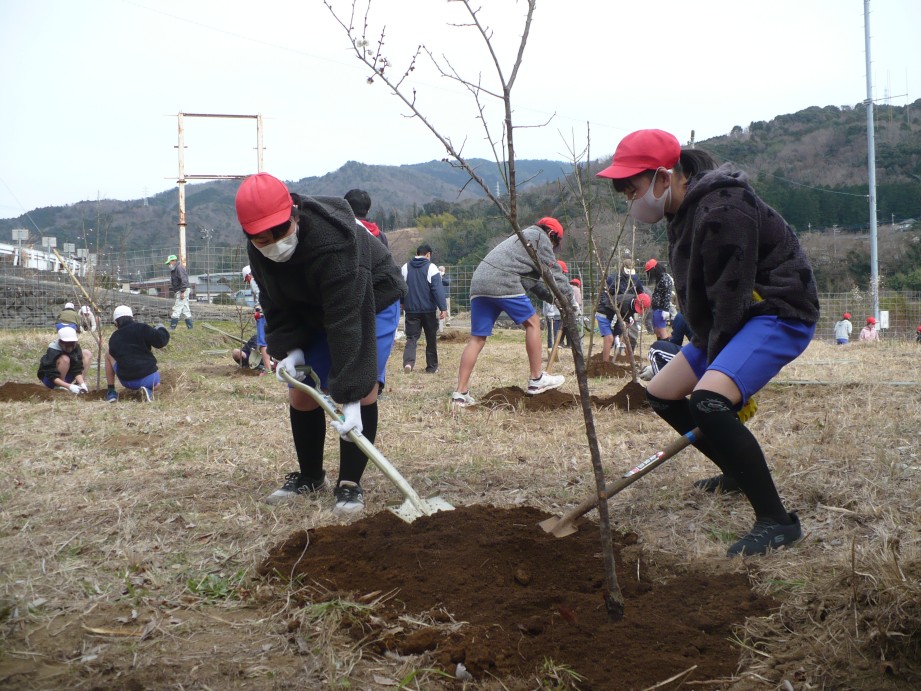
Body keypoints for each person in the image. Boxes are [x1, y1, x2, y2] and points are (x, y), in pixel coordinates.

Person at [597, 128, 820, 557]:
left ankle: (777, 521)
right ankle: (735, 472)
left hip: (775, 310)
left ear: (665, 177)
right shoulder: (684, 210)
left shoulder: (723, 209)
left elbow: (732, 294)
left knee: (708, 401)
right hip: (728, 319)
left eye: (633, 189)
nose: (631, 201)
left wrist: (724, 381)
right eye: (624, 194)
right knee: (661, 393)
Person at [235, 173, 406, 512]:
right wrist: (290, 350)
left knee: (363, 388)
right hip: (314, 308)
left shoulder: (335, 240)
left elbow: (348, 319)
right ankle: (311, 475)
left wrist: (351, 399)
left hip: (373, 297)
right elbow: (274, 300)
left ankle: (349, 483)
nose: (273, 243)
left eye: (280, 231)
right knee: (302, 392)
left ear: (294, 214)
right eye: (261, 238)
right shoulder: (260, 249)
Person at [451, 217, 573, 407]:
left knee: (477, 338)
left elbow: (536, 283)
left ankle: (460, 393)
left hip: (479, 284)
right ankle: (536, 379)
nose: (553, 248)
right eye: (555, 243)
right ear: (551, 234)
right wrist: (569, 300)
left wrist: (556, 300)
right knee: (533, 321)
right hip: (502, 280)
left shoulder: (522, 239)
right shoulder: (539, 238)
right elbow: (553, 273)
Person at [105, 305, 171, 402]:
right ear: (132, 318)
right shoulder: (142, 328)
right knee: (157, 385)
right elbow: (160, 341)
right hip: (151, 378)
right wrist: (161, 328)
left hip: (127, 381)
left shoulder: (114, 337)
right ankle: (148, 389)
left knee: (108, 353)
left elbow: (114, 354)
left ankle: (111, 392)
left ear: (116, 322)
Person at [401, 244, 447, 374]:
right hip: (428, 310)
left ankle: (408, 363)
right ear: (427, 254)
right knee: (431, 338)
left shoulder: (405, 267)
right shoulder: (431, 267)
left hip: (411, 310)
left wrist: (402, 302)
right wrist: (442, 307)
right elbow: (437, 289)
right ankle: (431, 367)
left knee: (411, 338)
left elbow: (401, 287)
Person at [596, 259, 647, 361]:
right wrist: (607, 305)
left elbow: (641, 293)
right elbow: (605, 294)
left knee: (628, 334)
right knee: (611, 336)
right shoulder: (613, 278)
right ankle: (607, 360)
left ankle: (626, 358)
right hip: (611, 309)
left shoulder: (635, 279)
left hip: (629, 308)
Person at [37, 326, 91, 393]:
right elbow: (51, 374)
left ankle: (78, 387)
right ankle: (60, 387)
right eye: (68, 344)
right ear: (61, 342)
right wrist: (69, 386)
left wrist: (82, 384)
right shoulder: (53, 350)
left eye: (72, 343)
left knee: (86, 353)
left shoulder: (75, 347)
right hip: (51, 379)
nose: (70, 346)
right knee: (65, 359)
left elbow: (77, 368)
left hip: (67, 377)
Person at [231, 305, 274, 374]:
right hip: (250, 357)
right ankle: (247, 366)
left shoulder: (272, 340)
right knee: (235, 352)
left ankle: (266, 368)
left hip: (265, 360)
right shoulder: (255, 337)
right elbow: (246, 350)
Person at [645, 258, 674, 339]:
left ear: (654, 269)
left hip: (661, 309)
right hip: (656, 308)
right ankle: (660, 346)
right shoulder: (660, 278)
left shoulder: (665, 279)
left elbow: (667, 295)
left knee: (662, 332)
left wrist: (665, 309)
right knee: (657, 331)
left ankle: (665, 347)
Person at [166, 254, 193, 329]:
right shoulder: (175, 269)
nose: (169, 264)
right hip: (182, 290)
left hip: (182, 290)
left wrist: (182, 292)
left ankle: (172, 327)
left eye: (169, 262)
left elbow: (184, 280)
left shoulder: (179, 268)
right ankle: (190, 327)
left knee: (177, 308)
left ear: (173, 261)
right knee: (185, 308)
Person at [438, 265, 451, 332]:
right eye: (440, 270)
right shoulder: (436, 276)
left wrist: (442, 277)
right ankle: (440, 321)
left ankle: (447, 321)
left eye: (442, 270)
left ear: (444, 270)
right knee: (438, 309)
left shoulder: (446, 276)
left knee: (447, 308)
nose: (441, 271)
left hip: (446, 295)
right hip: (438, 296)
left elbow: (448, 282)